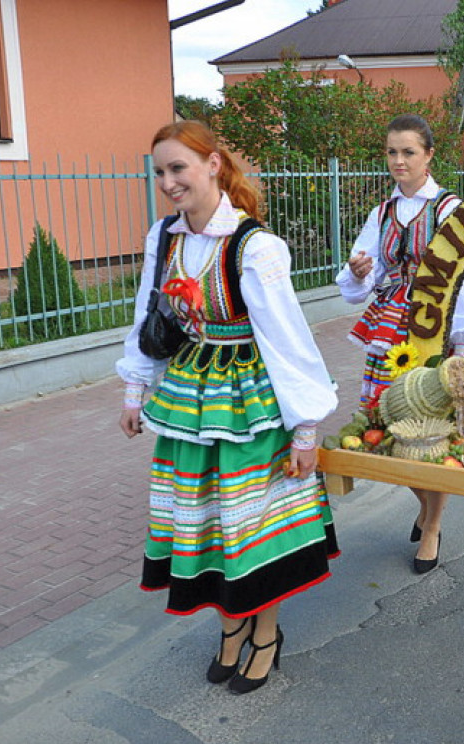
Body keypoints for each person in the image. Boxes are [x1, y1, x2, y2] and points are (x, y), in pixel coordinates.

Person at [117, 121, 340, 695]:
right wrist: (134, 389)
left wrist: (306, 430)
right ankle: (232, 626)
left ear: (213, 165)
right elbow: (148, 315)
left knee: (251, 522)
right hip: (188, 396)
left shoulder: (254, 246)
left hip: (249, 404)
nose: (168, 182)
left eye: (178, 168)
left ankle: (265, 634)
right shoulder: (164, 237)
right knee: (204, 519)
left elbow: (288, 340)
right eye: (160, 171)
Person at [336, 114, 464, 574]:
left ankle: (433, 526)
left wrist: (460, 350)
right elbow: (363, 277)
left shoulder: (448, 209)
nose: (398, 160)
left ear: (429, 155)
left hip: (434, 327)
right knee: (388, 427)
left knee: (431, 434)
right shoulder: (382, 213)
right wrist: (360, 272)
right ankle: (425, 506)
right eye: (392, 152)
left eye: (408, 152)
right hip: (389, 331)